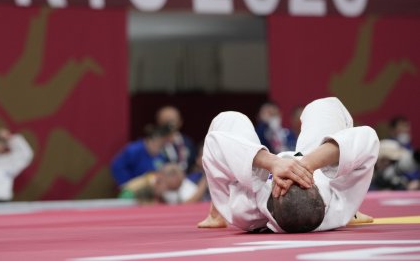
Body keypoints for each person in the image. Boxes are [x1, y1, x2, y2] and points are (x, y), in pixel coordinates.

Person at [198, 97, 379, 233]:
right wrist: (307, 163)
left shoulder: (247, 210)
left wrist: (273, 163)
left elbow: (215, 146)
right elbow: (367, 138)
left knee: (229, 119)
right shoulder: (335, 205)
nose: (294, 173)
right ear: (315, 188)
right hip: (314, 163)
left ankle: (216, 214)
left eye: (290, 178)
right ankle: (354, 210)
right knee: (326, 106)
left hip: (261, 177)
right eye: (301, 177)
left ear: (275, 190)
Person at [118, 163, 202, 205]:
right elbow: (125, 195)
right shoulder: (145, 182)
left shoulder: (187, 188)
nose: (167, 191)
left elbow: (186, 205)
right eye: (169, 188)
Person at [156, 106, 196, 173]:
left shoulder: (187, 142)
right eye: (165, 122)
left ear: (180, 122)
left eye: (171, 121)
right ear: (159, 122)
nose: (168, 125)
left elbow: (194, 164)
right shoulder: (153, 144)